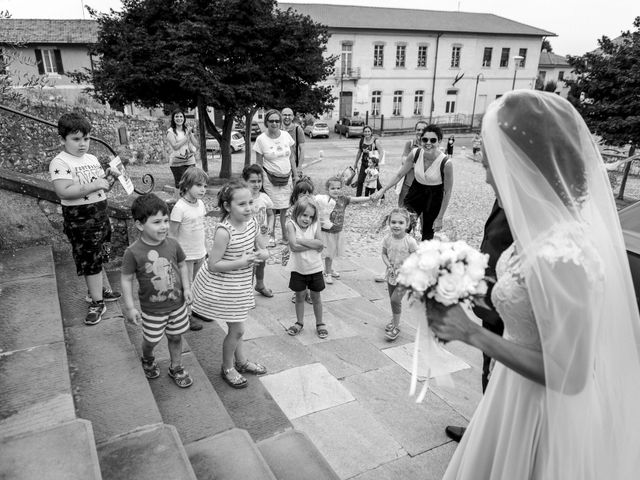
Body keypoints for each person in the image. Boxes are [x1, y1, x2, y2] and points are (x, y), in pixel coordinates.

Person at [428, 90, 640, 479]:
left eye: (492, 164)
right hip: (513, 392)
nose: (488, 175)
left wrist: (472, 335)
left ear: (522, 165)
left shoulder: (564, 254)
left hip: (542, 413)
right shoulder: (544, 232)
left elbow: (571, 375)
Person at [444, 198, 513, 442]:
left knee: (498, 369)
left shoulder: (526, 195)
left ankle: (489, 436)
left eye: (487, 164)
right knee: (490, 366)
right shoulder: (507, 191)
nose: (485, 171)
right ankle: (488, 429)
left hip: (509, 303)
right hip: (494, 298)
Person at [191, 179, 269, 389]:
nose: (249, 208)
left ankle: (241, 362)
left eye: (250, 202)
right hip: (223, 287)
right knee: (238, 330)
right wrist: (242, 262)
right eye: (242, 204)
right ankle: (228, 368)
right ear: (227, 206)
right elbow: (214, 264)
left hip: (240, 286)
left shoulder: (251, 222)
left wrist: (263, 253)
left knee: (237, 326)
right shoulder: (224, 232)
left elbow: (261, 246)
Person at [49, 112, 121, 326]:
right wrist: (95, 184)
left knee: (102, 253)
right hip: (80, 219)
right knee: (90, 260)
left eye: (86, 138)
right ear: (63, 139)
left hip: (101, 214)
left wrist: (110, 178)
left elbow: (102, 187)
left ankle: (96, 291)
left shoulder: (91, 159)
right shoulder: (60, 162)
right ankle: (97, 302)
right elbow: (64, 191)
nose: (82, 144)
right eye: (76, 139)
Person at [121, 193, 193, 388]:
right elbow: (126, 279)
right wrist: (130, 308)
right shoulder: (133, 252)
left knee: (176, 336)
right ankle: (148, 357)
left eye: (166, 220)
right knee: (151, 340)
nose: (164, 226)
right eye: (157, 222)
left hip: (177, 305)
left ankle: (176, 367)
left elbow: (182, 264)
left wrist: (187, 288)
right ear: (139, 225)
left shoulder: (173, 244)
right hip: (152, 310)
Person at [372, 124, 453, 241]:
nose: (428, 143)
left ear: (439, 141)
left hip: (434, 197)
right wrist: (382, 190)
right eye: (425, 139)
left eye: (433, 140)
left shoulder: (446, 163)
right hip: (416, 192)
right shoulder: (415, 153)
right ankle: (399, 254)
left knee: (427, 234)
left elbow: (447, 191)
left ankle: (423, 257)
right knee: (403, 225)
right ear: (421, 140)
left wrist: (440, 217)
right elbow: (400, 174)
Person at [169, 167, 209, 331]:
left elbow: (202, 228)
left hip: (200, 252)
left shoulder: (200, 204)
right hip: (185, 256)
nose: (203, 189)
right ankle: (187, 315)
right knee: (187, 285)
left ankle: (196, 310)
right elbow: (172, 234)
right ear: (186, 185)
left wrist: (206, 250)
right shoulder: (179, 208)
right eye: (198, 185)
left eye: (205, 186)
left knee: (199, 284)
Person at [314, 175, 372, 284]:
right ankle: (327, 273)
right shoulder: (324, 200)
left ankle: (329, 269)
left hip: (338, 232)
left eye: (338, 188)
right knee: (329, 254)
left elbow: (356, 199)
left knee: (333, 253)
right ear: (327, 190)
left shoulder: (343, 199)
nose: (336, 190)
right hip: (327, 233)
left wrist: (369, 198)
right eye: (333, 188)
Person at [253, 109, 298, 245]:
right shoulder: (261, 139)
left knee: (285, 208)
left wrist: (295, 175)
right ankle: (271, 236)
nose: (274, 123)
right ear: (266, 122)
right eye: (271, 121)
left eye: (277, 121)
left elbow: (291, 156)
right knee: (270, 208)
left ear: (280, 122)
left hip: (286, 177)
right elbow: (259, 163)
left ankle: (285, 236)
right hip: (269, 178)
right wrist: (258, 181)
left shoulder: (286, 136)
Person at [284, 196, 327, 339]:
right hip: (298, 269)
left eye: (310, 216)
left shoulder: (315, 225)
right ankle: (299, 322)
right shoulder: (291, 224)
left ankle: (320, 323)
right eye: (304, 215)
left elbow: (320, 244)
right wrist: (312, 244)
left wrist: (301, 240)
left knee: (316, 297)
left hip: (315, 268)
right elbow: (294, 247)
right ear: (297, 213)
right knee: (300, 296)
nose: (307, 219)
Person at [380, 208, 418, 341]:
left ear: (407, 225)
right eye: (394, 222)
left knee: (395, 300)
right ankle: (394, 319)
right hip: (391, 275)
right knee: (393, 301)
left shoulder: (410, 241)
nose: (397, 225)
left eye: (401, 223)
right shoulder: (387, 239)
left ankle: (396, 327)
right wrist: (388, 265)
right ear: (389, 223)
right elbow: (384, 253)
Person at [242, 164, 275, 298]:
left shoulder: (265, 198)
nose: (256, 184)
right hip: (247, 238)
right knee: (249, 264)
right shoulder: (242, 199)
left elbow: (271, 214)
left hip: (261, 236)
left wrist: (271, 226)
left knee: (261, 261)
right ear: (244, 181)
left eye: (259, 181)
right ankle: (247, 292)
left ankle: (260, 284)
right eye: (252, 181)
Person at [286, 178, 315, 305]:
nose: (306, 196)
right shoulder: (291, 210)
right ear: (296, 196)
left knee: (310, 268)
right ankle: (298, 292)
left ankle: (308, 292)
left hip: (308, 242)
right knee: (297, 269)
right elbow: (289, 227)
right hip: (296, 243)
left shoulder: (312, 209)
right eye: (303, 194)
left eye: (309, 194)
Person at [398, 121, 427, 207]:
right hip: (408, 183)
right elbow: (403, 160)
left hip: (424, 184)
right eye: (418, 129)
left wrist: (411, 164)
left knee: (422, 211)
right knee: (402, 208)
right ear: (415, 131)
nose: (420, 132)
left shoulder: (430, 145)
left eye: (423, 129)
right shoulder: (410, 143)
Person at [166, 109, 198, 189]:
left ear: (184, 118)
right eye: (176, 116)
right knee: (180, 185)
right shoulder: (170, 132)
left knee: (192, 183)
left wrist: (191, 135)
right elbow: (175, 146)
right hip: (177, 162)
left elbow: (196, 145)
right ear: (173, 118)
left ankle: (190, 200)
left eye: (181, 116)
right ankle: (178, 200)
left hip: (190, 160)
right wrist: (186, 137)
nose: (179, 118)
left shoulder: (187, 130)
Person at [353, 125, 384, 196]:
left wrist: (377, 164)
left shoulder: (376, 141)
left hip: (373, 165)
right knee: (360, 180)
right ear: (363, 132)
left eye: (368, 131)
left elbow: (381, 152)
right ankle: (358, 197)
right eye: (365, 131)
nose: (367, 133)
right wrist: (355, 163)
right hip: (364, 163)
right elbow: (359, 152)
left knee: (376, 181)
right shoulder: (362, 140)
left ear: (371, 132)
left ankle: (382, 196)